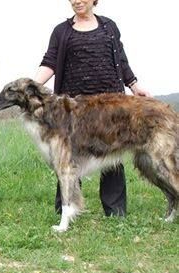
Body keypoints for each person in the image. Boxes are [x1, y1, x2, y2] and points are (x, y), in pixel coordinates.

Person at [34, 0, 150, 217]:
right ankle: (66, 209)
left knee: (112, 155)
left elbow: (122, 61)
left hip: (110, 106)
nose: (76, 1)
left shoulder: (109, 27)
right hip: (73, 110)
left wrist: (134, 85)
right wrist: (31, 87)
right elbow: (49, 62)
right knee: (67, 156)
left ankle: (115, 211)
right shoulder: (61, 31)